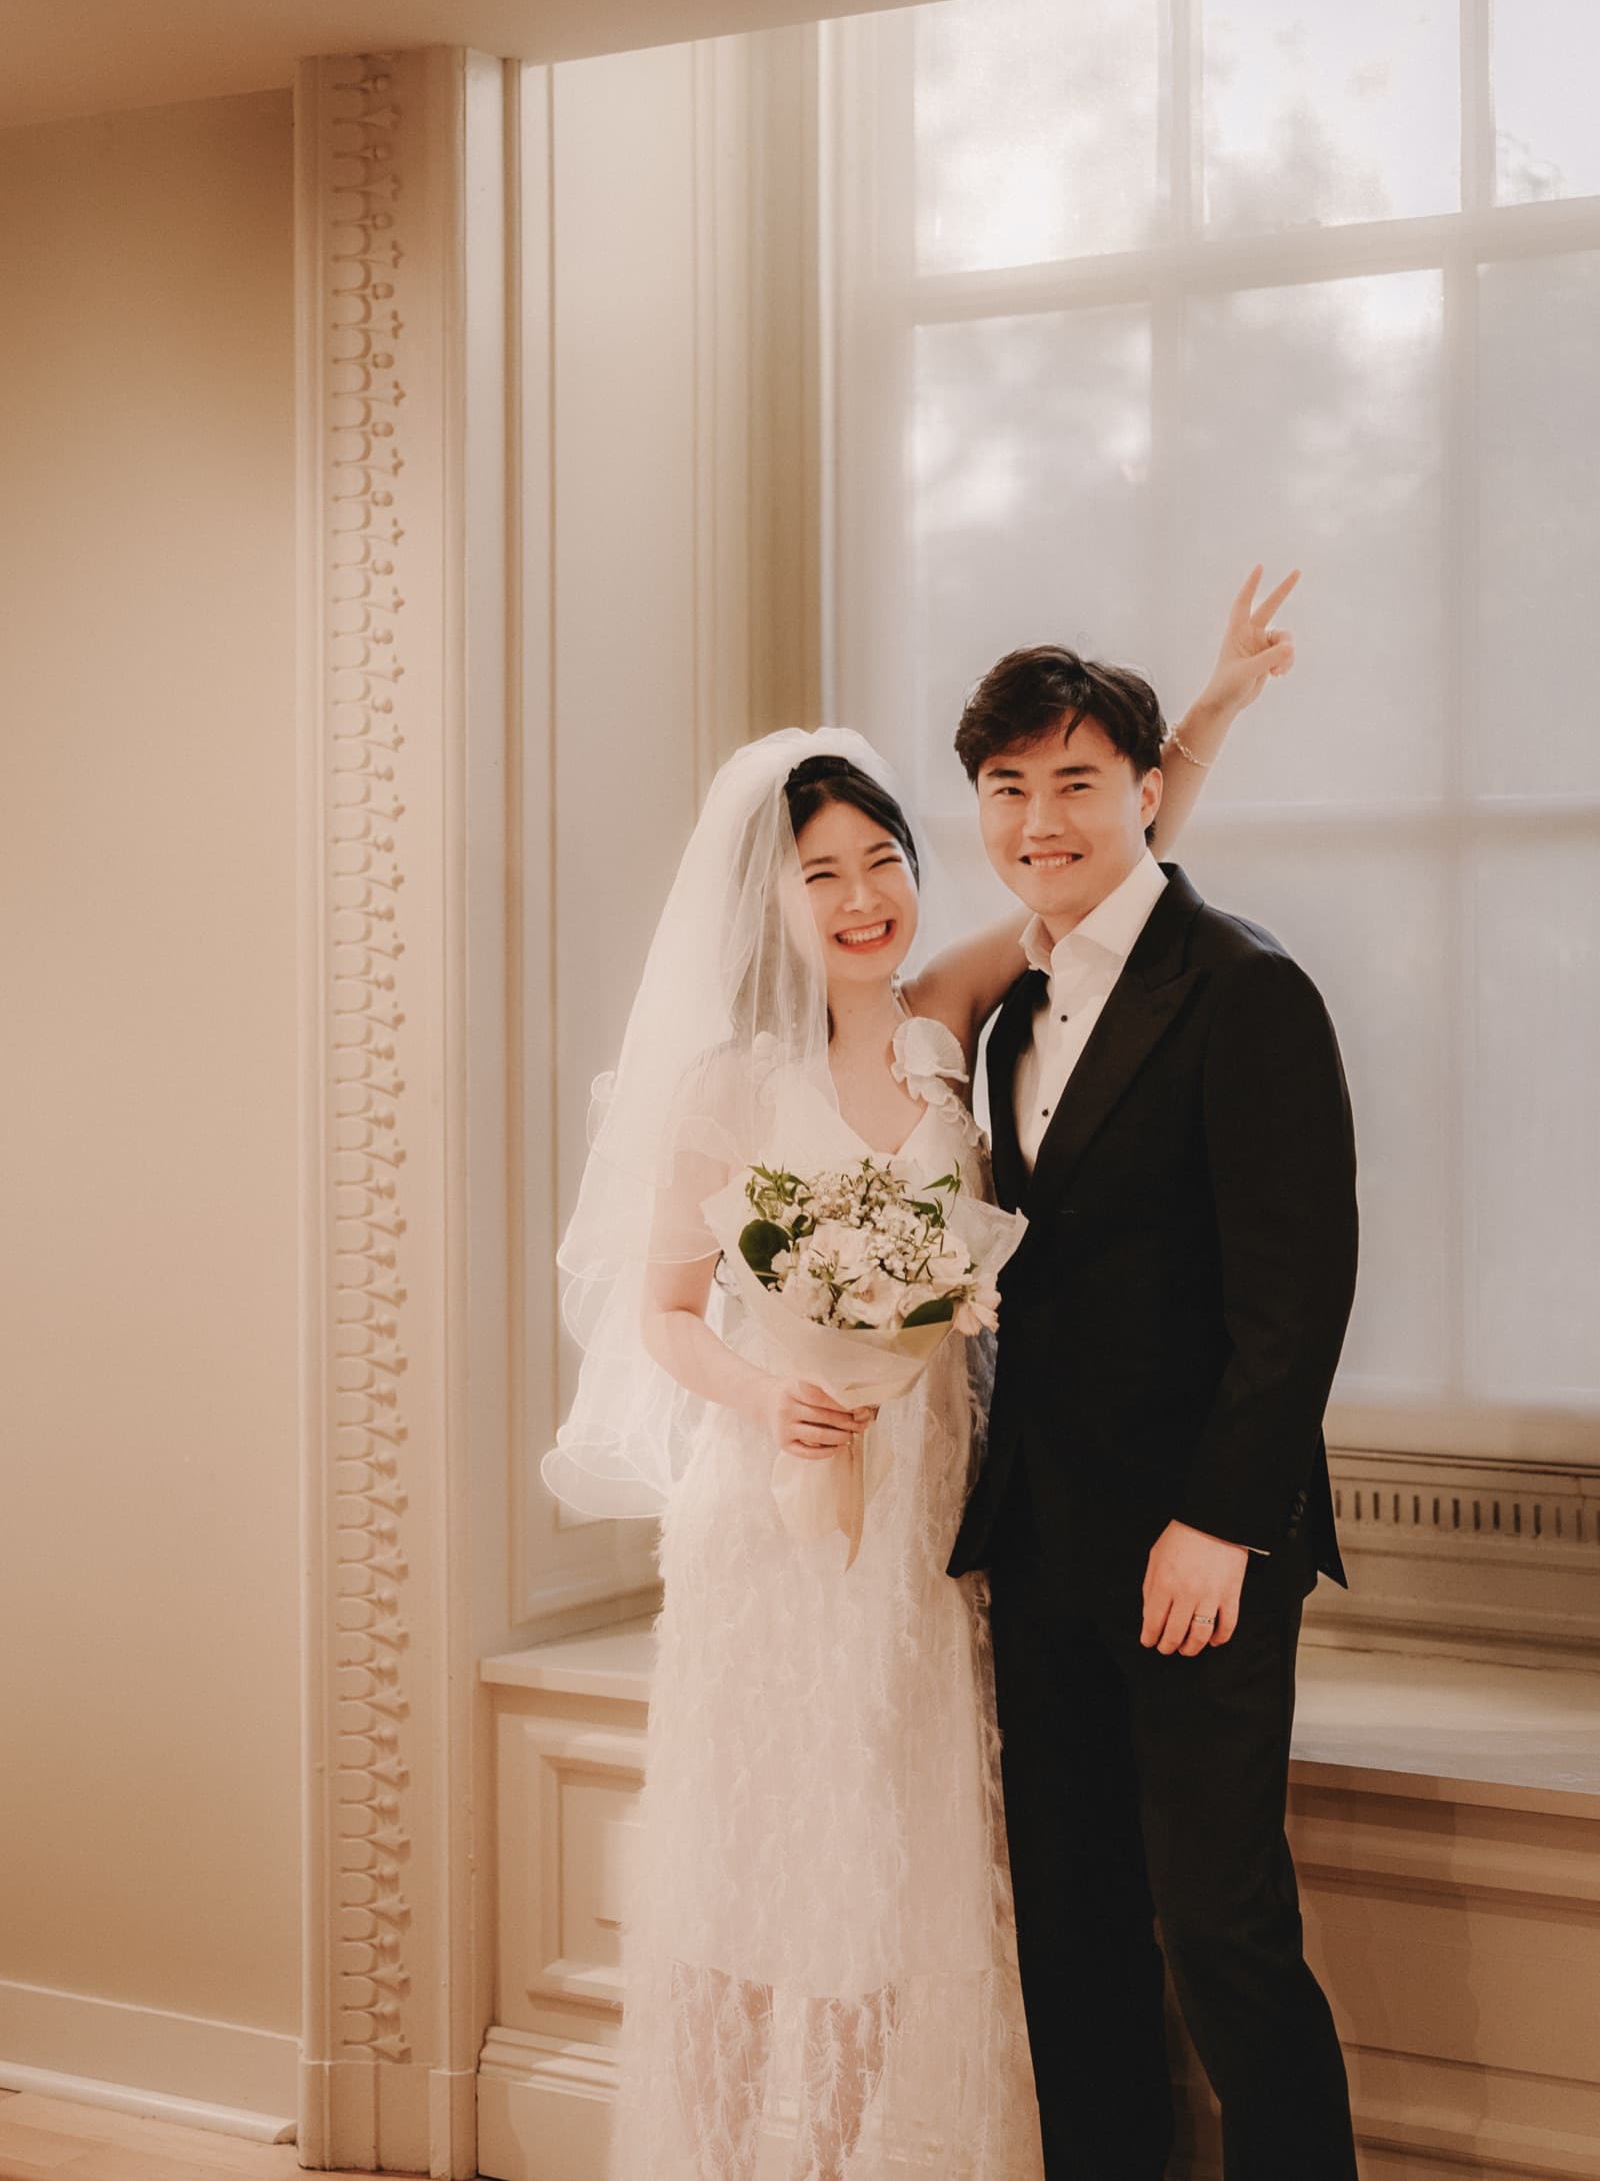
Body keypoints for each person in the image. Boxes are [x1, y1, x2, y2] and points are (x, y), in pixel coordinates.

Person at [543, 572, 1299, 2181]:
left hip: (944, 1519)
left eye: (884, 858)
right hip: (781, 1509)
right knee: (758, 1875)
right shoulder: (725, 1090)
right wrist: (767, 1401)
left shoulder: (940, 1025)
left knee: (908, 1876)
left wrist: (1210, 713)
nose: (865, 895)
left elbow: (1096, 874)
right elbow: (667, 1312)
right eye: (824, 874)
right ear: (772, 900)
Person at [947, 641, 1359, 2181]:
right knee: (1076, 1926)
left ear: (1142, 790)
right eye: (1006, 787)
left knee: (1221, 1927)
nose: (1039, 818)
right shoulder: (1006, 1012)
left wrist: (1224, 1524)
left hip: (1200, 1547)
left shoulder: (1246, 990)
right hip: (1041, 1540)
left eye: (1073, 782)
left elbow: (1295, 1296)